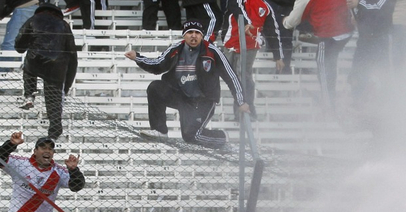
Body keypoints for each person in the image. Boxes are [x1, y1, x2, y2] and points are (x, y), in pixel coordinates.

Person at [125, 20, 250, 149]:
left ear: (202, 36)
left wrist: (241, 101)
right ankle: (160, 131)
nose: (193, 35)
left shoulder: (212, 52)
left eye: (197, 33)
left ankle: (221, 138)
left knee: (191, 136)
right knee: (155, 88)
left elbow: (231, 76)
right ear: (184, 35)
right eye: (190, 32)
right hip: (182, 97)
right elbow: (158, 64)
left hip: (203, 101)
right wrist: (137, 57)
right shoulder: (176, 49)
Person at [0, 132, 85, 212]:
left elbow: (77, 186)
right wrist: (11, 144)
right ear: (35, 151)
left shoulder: (58, 172)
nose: (47, 151)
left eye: (50, 149)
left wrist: (74, 170)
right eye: (43, 147)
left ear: (53, 153)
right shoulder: (21, 164)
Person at [14, 2, 78, 140]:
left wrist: (27, 45)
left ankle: (30, 95)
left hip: (36, 58)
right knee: (53, 100)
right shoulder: (64, 26)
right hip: (57, 64)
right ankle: (54, 131)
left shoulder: (33, 20)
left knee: (29, 70)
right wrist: (66, 86)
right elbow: (73, 55)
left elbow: (19, 44)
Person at [283, 0, 354, 115]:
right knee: (329, 64)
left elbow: (292, 21)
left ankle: (329, 105)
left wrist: (285, 21)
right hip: (347, 31)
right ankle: (340, 100)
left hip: (329, 34)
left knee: (323, 66)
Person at [222, 0, 274, 119]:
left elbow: (272, 29)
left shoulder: (265, 5)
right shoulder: (235, 2)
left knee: (244, 76)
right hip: (230, 43)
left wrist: (278, 55)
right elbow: (233, 8)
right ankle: (241, 110)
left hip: (250, 45)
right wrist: (246, 23)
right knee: (233, 78)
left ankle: (246, 109)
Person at [346, 0, 394, 113]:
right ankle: (358, 108)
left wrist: (359, 4)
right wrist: (357, 16)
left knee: (382, 76)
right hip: (364, 40)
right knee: (356, 76)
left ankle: (384, 108)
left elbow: (379, 6)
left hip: (380, 40)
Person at [0, 0, 40, 73]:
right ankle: (27, 74)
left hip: (25, 7)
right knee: (30, 44)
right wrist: (3, 14)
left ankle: (2, 76)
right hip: (37, 7)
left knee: (10, 45)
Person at [262, 0, 294, 74]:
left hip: (287, 11)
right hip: (272, 7)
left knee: (285, 39)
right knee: (271, 37)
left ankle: (284, 70)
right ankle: (270, 71)